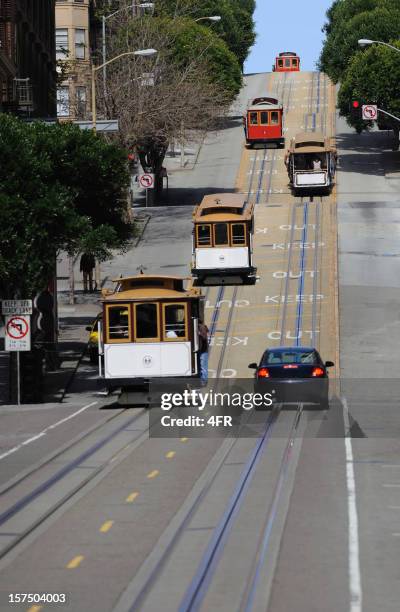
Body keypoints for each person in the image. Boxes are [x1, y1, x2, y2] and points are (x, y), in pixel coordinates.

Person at [198, 320, 209, 385]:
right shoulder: (203, 327)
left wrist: (199, 334)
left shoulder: (201, 327)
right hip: (203, 349)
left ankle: (204, 380)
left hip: (203, 350)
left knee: (203, 366)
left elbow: (204, 337)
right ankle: (203, 379)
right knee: (203, 365)